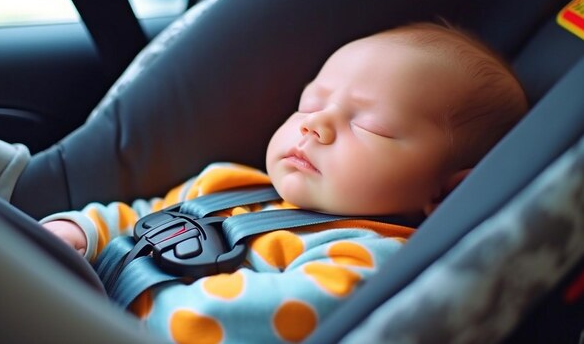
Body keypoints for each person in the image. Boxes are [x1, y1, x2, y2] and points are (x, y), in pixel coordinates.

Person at [41, 22, 527, 344]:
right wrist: (84, 234)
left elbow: (223, 324)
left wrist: (112, 285)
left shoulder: (366, 258)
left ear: (444, 192)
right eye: (311, 104)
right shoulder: (230, 184)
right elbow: (143, 219)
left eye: (371, 126)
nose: (315, 125)